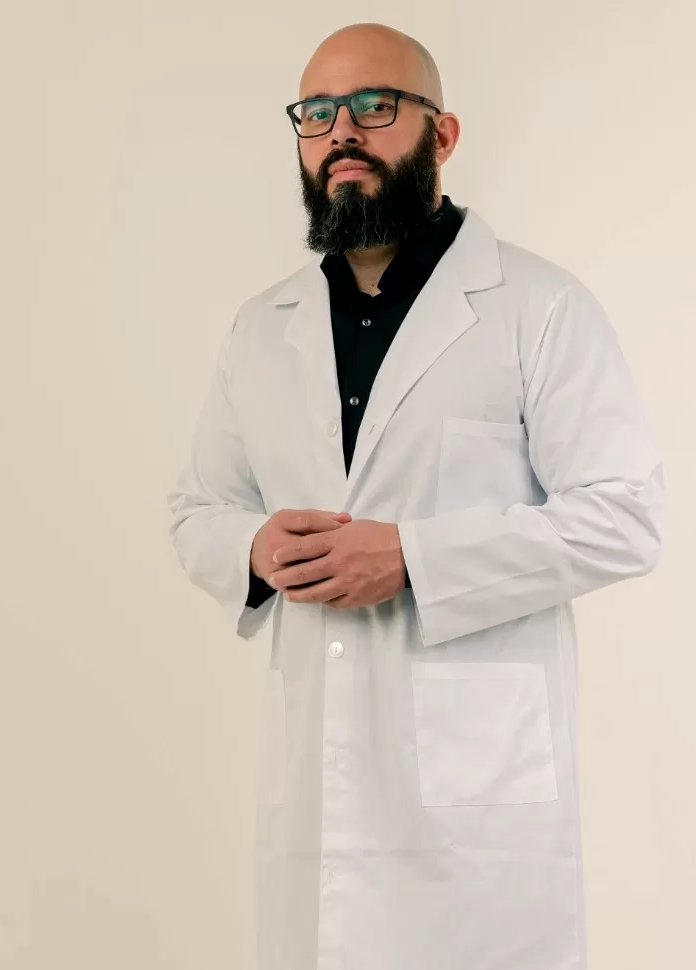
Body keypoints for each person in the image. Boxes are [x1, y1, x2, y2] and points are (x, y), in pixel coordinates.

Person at [166, 21, 665, 970]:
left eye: (373, 105)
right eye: (318, 113)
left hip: (481, 816)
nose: (341, 132)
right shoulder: (260, 328)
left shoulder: (536, 306)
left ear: (442, 134)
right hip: (318, 789)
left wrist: (412, 558)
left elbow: (624, 514)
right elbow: (199, 509)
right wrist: (253, 549)